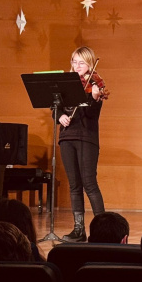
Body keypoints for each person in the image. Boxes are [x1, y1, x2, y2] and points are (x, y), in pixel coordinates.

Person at [56, 46, 109, 242]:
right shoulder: (66, 84)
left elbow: (92, 114)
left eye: (82, 63)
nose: (77, 66)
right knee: (74, 185)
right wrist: (59, 116)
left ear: (90, 65)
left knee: (89, 183)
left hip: (86, 137)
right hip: (66, 137)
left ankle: (103, 230)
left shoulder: (95, 85)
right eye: (74, 62)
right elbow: (56, 108)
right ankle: (79, 230)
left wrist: (94, 98)